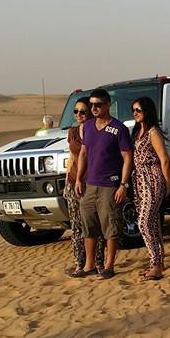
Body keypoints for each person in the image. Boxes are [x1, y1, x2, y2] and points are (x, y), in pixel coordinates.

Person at [76, 89, 133, 279]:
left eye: (98, 105)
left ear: (108, 105)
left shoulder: (118, 128)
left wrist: (123, 185)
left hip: (110, 185)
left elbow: (127, 157)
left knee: (110, 226)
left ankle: (109, 266)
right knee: (88, 225)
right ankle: (89, 265)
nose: (94, 108)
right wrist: (78, 179)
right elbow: (83, 153)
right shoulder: (89, 126)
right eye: (92, 105)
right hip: (90, 184)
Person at [130, 96, 170, 281]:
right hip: (139, 181)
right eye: (134, 110)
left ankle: (155, 264)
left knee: (144, 222)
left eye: (138, 110)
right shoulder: (138, 131)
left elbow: (164, 159)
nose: (135, 114)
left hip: (153, 179)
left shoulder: (153, 132)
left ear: (147, 111)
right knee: (153, 223)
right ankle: (158, 261)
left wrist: (167, 185)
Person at [65, 97, 105, 277]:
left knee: (94, 224)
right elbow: (72, 157)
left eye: (82, 111)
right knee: (76, 225)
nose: (79, 115)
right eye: (76, 112)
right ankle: (79, 264)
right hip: (75, 183)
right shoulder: (73, 132)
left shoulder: (96, 130)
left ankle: (98, 263)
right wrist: (67, 182)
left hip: (93, 182)